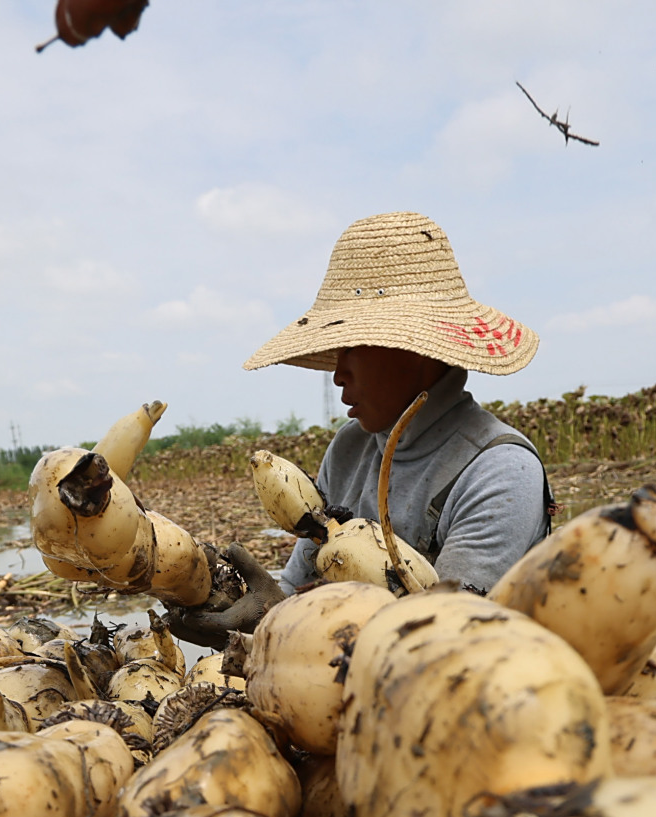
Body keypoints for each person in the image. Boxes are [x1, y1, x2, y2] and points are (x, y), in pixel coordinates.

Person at [166, 211, 553, 646]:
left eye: (351, 346)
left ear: (413, 347)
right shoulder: (351, 449)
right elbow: (296, 584)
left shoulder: (499, 471)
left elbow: (442, 642)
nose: (338, 374)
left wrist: (281, 625)